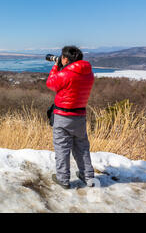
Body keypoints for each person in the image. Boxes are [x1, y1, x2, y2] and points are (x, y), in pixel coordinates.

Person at [46, 46, 95, 189]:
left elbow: (51, 83)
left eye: (62, 57)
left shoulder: (65, 73)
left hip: (63, 116)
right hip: (80, 116)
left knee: (62, 148)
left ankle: (63, 179)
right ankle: (88, 177)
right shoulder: (89, 73)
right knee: (82, 147)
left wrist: (56, 66)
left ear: (66, 58)